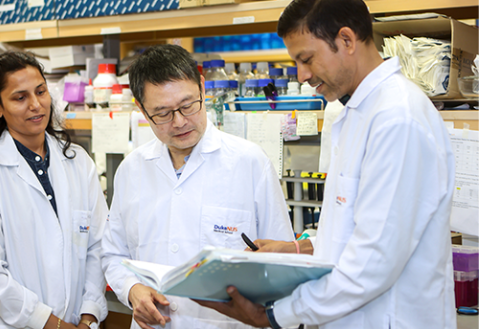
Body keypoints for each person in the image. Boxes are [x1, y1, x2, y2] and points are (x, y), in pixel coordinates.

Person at [196, 0, 457, 328]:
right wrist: (296, 249)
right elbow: (359, 229)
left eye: (306, 59)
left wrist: (275, 315)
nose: (302, 75)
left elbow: (373, 261)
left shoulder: (396, 119)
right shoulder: (355, 112)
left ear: (347, 40)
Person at [101, 44, 296, 329]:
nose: (179, 122)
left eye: (188, 105)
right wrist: (132, 289)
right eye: (163, 113)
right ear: (142, 109)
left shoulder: (250, 162)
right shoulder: (132, 169)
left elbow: (282, 263)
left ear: (202, 88)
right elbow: (114, 253)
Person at [0, 52, 108, 329]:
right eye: (20, 97)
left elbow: (98, 245)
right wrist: (51, 324)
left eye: (41, 92)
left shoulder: (78, 161)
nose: (36, 105)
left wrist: (90, 315)